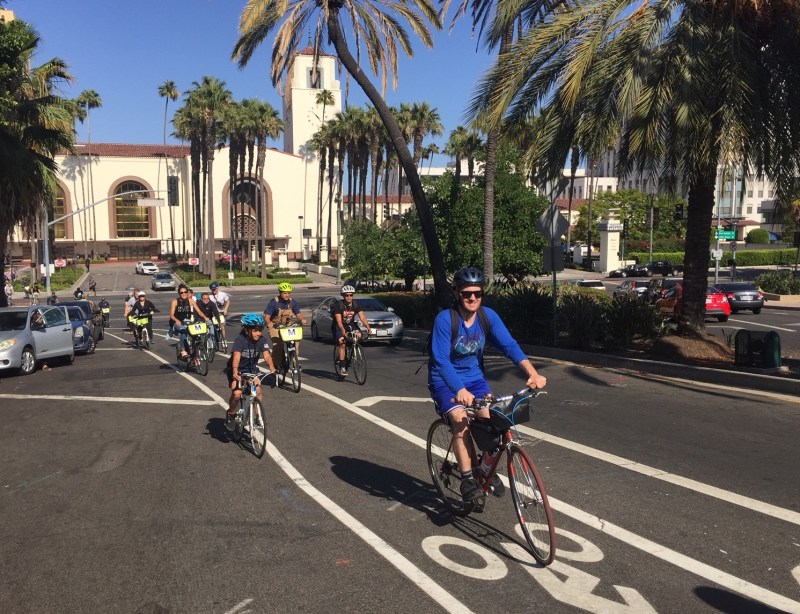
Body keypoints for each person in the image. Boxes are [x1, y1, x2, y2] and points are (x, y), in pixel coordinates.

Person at [428, 267, 547, 502]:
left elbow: (509, 346)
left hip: (474, 379)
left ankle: (484, 469)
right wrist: (459, 390)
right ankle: (467, 479)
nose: (472, 298)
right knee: (460, 421)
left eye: (478, 293)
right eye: (466, 293)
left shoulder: (487, 316)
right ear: (457, 294)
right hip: (445, 381)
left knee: (495, 421)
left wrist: (533, 374)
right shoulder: (445, 320)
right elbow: (441, 360)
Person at [225, 313, 276, 430]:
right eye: (255, 330)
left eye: (260, 330)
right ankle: (231, 413)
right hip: (237, 369)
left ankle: (258, 416)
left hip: (252, 369)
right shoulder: (240, 340)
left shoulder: (262, 340)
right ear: (247, 330)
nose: (259, 333)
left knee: (258, 388)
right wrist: (235, 372)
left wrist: (272, 368)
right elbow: (236, 357)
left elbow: (267, 356)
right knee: (237, 394)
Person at [264, 282, 306, 369]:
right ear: (280, 293)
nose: (287, 295)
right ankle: (277, 363)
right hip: (275, 325)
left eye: (289, 293)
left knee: (296, 339)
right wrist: (269, 323)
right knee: (278, 344)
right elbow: (267, 316)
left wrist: (301, 319)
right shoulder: (273, 303)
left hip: (287, 325)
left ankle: (295, 359)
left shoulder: (292, 302)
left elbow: (298, 313)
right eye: (285, 293)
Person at [331, 284, 371, 377]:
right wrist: (342, 331)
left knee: (359, 335)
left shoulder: (356, 304)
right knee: (342, 341)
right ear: (343, 295)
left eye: (351, 295)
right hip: (338, 325)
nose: (349, 297)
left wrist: (368, 327)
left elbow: (362, 317)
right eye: (346, 295)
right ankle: (342, 366)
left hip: (350, 324)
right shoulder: (339, 305)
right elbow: (339, 321)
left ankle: (352, 350)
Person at [169, 283, 208, 358]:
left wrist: (205, 318)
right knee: (183, 330)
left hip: (187, 321)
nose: (184, 294)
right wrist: (176, 320)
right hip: (176, 321)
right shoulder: (175, 302)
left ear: (187, 292)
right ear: (179, 294)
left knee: (195, 333)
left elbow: (199, 312)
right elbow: (171, 315)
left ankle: (194, 350)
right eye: (181, 292)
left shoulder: (191, 301)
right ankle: (183, 350)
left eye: (185, 292)